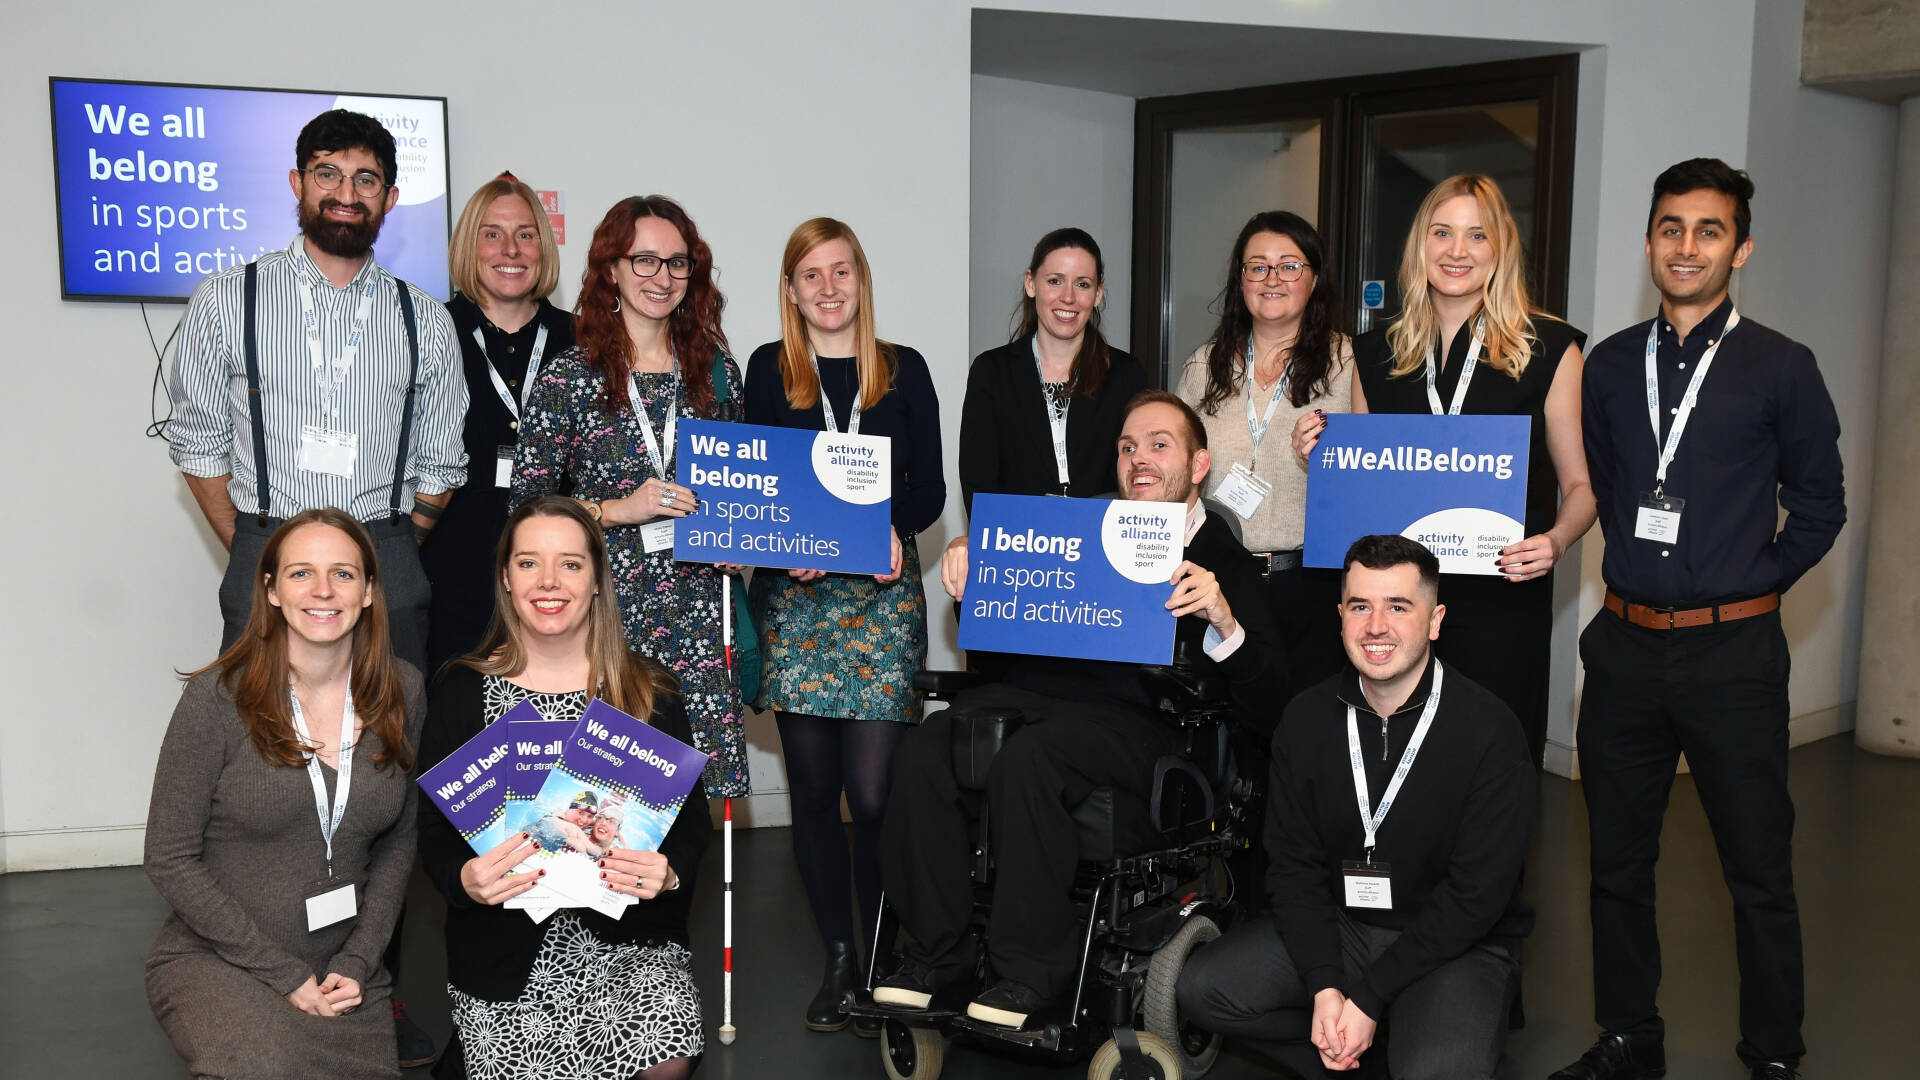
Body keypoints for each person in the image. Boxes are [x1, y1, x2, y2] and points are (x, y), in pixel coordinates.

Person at [1549, 160, 1844, 1080]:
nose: (1687, 246)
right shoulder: (1608, 365)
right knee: (1615, 865)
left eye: (1709, 230)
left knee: (1757, 870)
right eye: (1671, 228)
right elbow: (1597, 486)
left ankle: (1774, 1053)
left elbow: (1821, 504)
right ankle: (1628, 1035)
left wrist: (1756, 580)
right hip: (1624, 649)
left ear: (1740, 249)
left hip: (1735, 656)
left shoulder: (1782, 366)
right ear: (1649, 243)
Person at [874, 390, 1287, 1030]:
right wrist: (975, 578)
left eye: (1159, 445)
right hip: (1034, 695)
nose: (1138, 459)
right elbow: (996, 652)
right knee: (926, 746)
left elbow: (1271, 699)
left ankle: (1029, 973)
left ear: (1199, 465)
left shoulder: (1223, 561)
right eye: (1127, 447)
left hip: (1143, 718)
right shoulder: (1078, 532)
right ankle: (936, 956)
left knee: (1030, 759)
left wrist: (1223, 619)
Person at [1176, 534, 1535, 1079]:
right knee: (1205, 989)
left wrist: (1368, 998)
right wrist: (1325, 987)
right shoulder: (1305, 720)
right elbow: (1293, 869)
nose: (1376, 627)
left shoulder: (1490, 731)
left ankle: (1399, 1040)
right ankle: (1349, 1058)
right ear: (1340, 615)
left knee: (1440, 1069)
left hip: (1455, 942)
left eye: (1399, 607)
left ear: (1435, 621)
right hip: (1345, 928)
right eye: (1361, 606)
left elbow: (1475, 898)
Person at [166, 108, 468, 674]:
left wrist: (392, 549)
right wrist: (259, 546)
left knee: (394, 721)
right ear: (297, 182)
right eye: (328, 173)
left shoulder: (425, 318)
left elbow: (441, 462)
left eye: (365, 179)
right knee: (256, 723)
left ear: (390, 197)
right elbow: (199, 447)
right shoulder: (227, 299)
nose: (346, 194)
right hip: (266, 543)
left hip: (385, 555)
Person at [418, 495, 708, 1080]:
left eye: (570, 564)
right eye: (528, 562)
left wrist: (669, 874)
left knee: (666, 1057)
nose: (548, 581)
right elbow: (432, 832)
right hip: (505, 947)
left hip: (629, 942)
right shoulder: (463, 692)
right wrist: (463, 880)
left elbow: (691, 826)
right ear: (506, 577)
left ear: (597, 580)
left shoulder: (647, 691)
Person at [743, 217, 946, 1034]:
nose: (828, 288)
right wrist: (779, 543)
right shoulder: (769, 370)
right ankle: (839, 961)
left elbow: (930, 488)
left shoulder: (904, 368)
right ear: (791, 291)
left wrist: (894, 529)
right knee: (816, 794)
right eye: (811, 275)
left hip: (880, 599)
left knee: (875, 793)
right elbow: (760, 482)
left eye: (841, 271)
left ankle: (883, 957)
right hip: (798, 607)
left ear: (861, 280)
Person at [145, 509, 425, 1080]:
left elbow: (400, 841)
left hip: (341, 972)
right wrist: (282, 972)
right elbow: (168, 857)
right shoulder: (217, 699)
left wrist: (359, 958)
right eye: (301, 573)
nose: (323, 590)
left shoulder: (403, 689)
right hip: (224, 959)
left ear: (369, 591)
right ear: (271, 590)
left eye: (343, 574)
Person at [1343, 174, 1594, 767]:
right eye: (1442, 233)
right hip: (1397, 605)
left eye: (1476, 235)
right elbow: (1360, 489)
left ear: (1500, 247)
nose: (1457, 251)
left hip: (1501, 601)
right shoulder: (1374, 355)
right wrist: (1325, 452)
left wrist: (1556, 542)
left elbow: (1582, 487)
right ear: (1420, 244)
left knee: (1493, 765)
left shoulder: (1549, 349)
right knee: (1393, 765)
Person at [512, 195, 751, 802]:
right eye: (644, 260)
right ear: (611, 269)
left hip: (699, 607)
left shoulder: (717, 373)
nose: (661, 277)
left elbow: (743, 487)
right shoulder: (569, 376)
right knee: (605, 800)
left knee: (690, 802)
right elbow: (526, 511)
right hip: (606, 609)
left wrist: (739, 539)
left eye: (677, 263)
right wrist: (619, 510)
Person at [1177, 210, 1354, 692]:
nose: (1272, 279)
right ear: (1241, 281)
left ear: (1314, 279)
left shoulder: (1348, 364)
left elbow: (1372, 477)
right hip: (1221, 581)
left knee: (1308, 716)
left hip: (1312, 584)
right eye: (1257, 267)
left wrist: (1327, 459)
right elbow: (1176, 472)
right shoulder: (1203, 367)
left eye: (1289, 266)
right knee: (1233, 716)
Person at [420, 173, 575, 675]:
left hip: (558, 582)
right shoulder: (430, 332)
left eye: (526, 234)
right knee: (455, 711)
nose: (511, 249)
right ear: (469, 245)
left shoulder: (585, 340)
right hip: (451, 576)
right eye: (493, 234)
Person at [958, 227, 1146, 510]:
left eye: (1082, 284)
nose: (1068, 297)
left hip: (1102, 532)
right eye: (1055, 281)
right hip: (1018, 533)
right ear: (1031, 283)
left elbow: (1140, 471)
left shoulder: (1126, 375)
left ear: (1098, 293)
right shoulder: (992, 372)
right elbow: (979, 485)